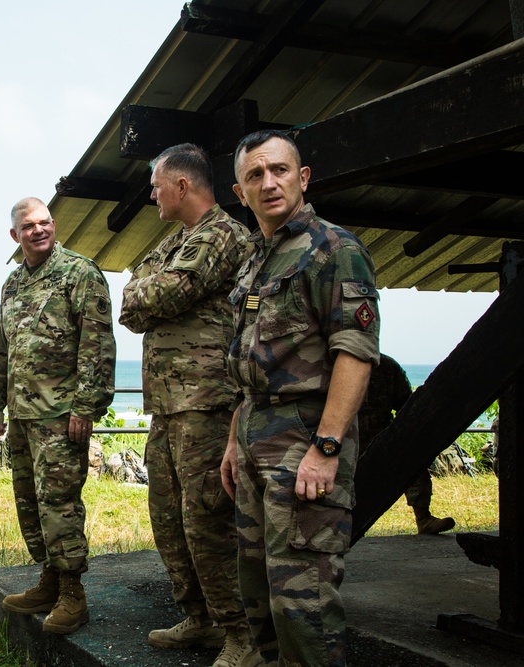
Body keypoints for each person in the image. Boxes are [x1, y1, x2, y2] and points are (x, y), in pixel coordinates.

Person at [219, 130, 380, 667]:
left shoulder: (334, 250)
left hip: (305, 440)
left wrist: (327, 446)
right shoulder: (255, 262)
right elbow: (252, 364)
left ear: (302, 177)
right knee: (259, 594)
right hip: (253, 439)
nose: (269, 183)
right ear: (240, 193)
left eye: (280, 170)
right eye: (255, 175)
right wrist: (233, 442)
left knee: (303, 602)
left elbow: (355, 352)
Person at [119, 144, 257, 666]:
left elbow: (162, 297)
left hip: (207, 401)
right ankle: (200, 619)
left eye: (156, 185)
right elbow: (131, 300)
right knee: (167, 517)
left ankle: (240, 634)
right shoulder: (176, 242)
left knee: (207, 519)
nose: (152, 194)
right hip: (169, 405)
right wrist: (145, 290)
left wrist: (148, 291)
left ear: (182, 185)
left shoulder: (223, 235)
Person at [0, 197, 116, 635]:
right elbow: (1, 350)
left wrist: (86, 407)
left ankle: (73, 593)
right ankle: (50, 579)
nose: (38, 231)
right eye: (28, 226)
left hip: (62, 415)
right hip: (22, 417)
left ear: (54, 225)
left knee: (59, 503)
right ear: (14, 235)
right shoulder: (12, 284)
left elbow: (96, 346)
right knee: (29, 502)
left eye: (44, 223)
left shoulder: (80, 273)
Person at [358, 354, 455, 534]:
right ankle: (347, 527)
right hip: (344, 439)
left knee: (414, 465)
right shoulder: (331, 363)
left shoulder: (387, 366)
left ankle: (423, 518)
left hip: (384, 437)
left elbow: (407, 405)